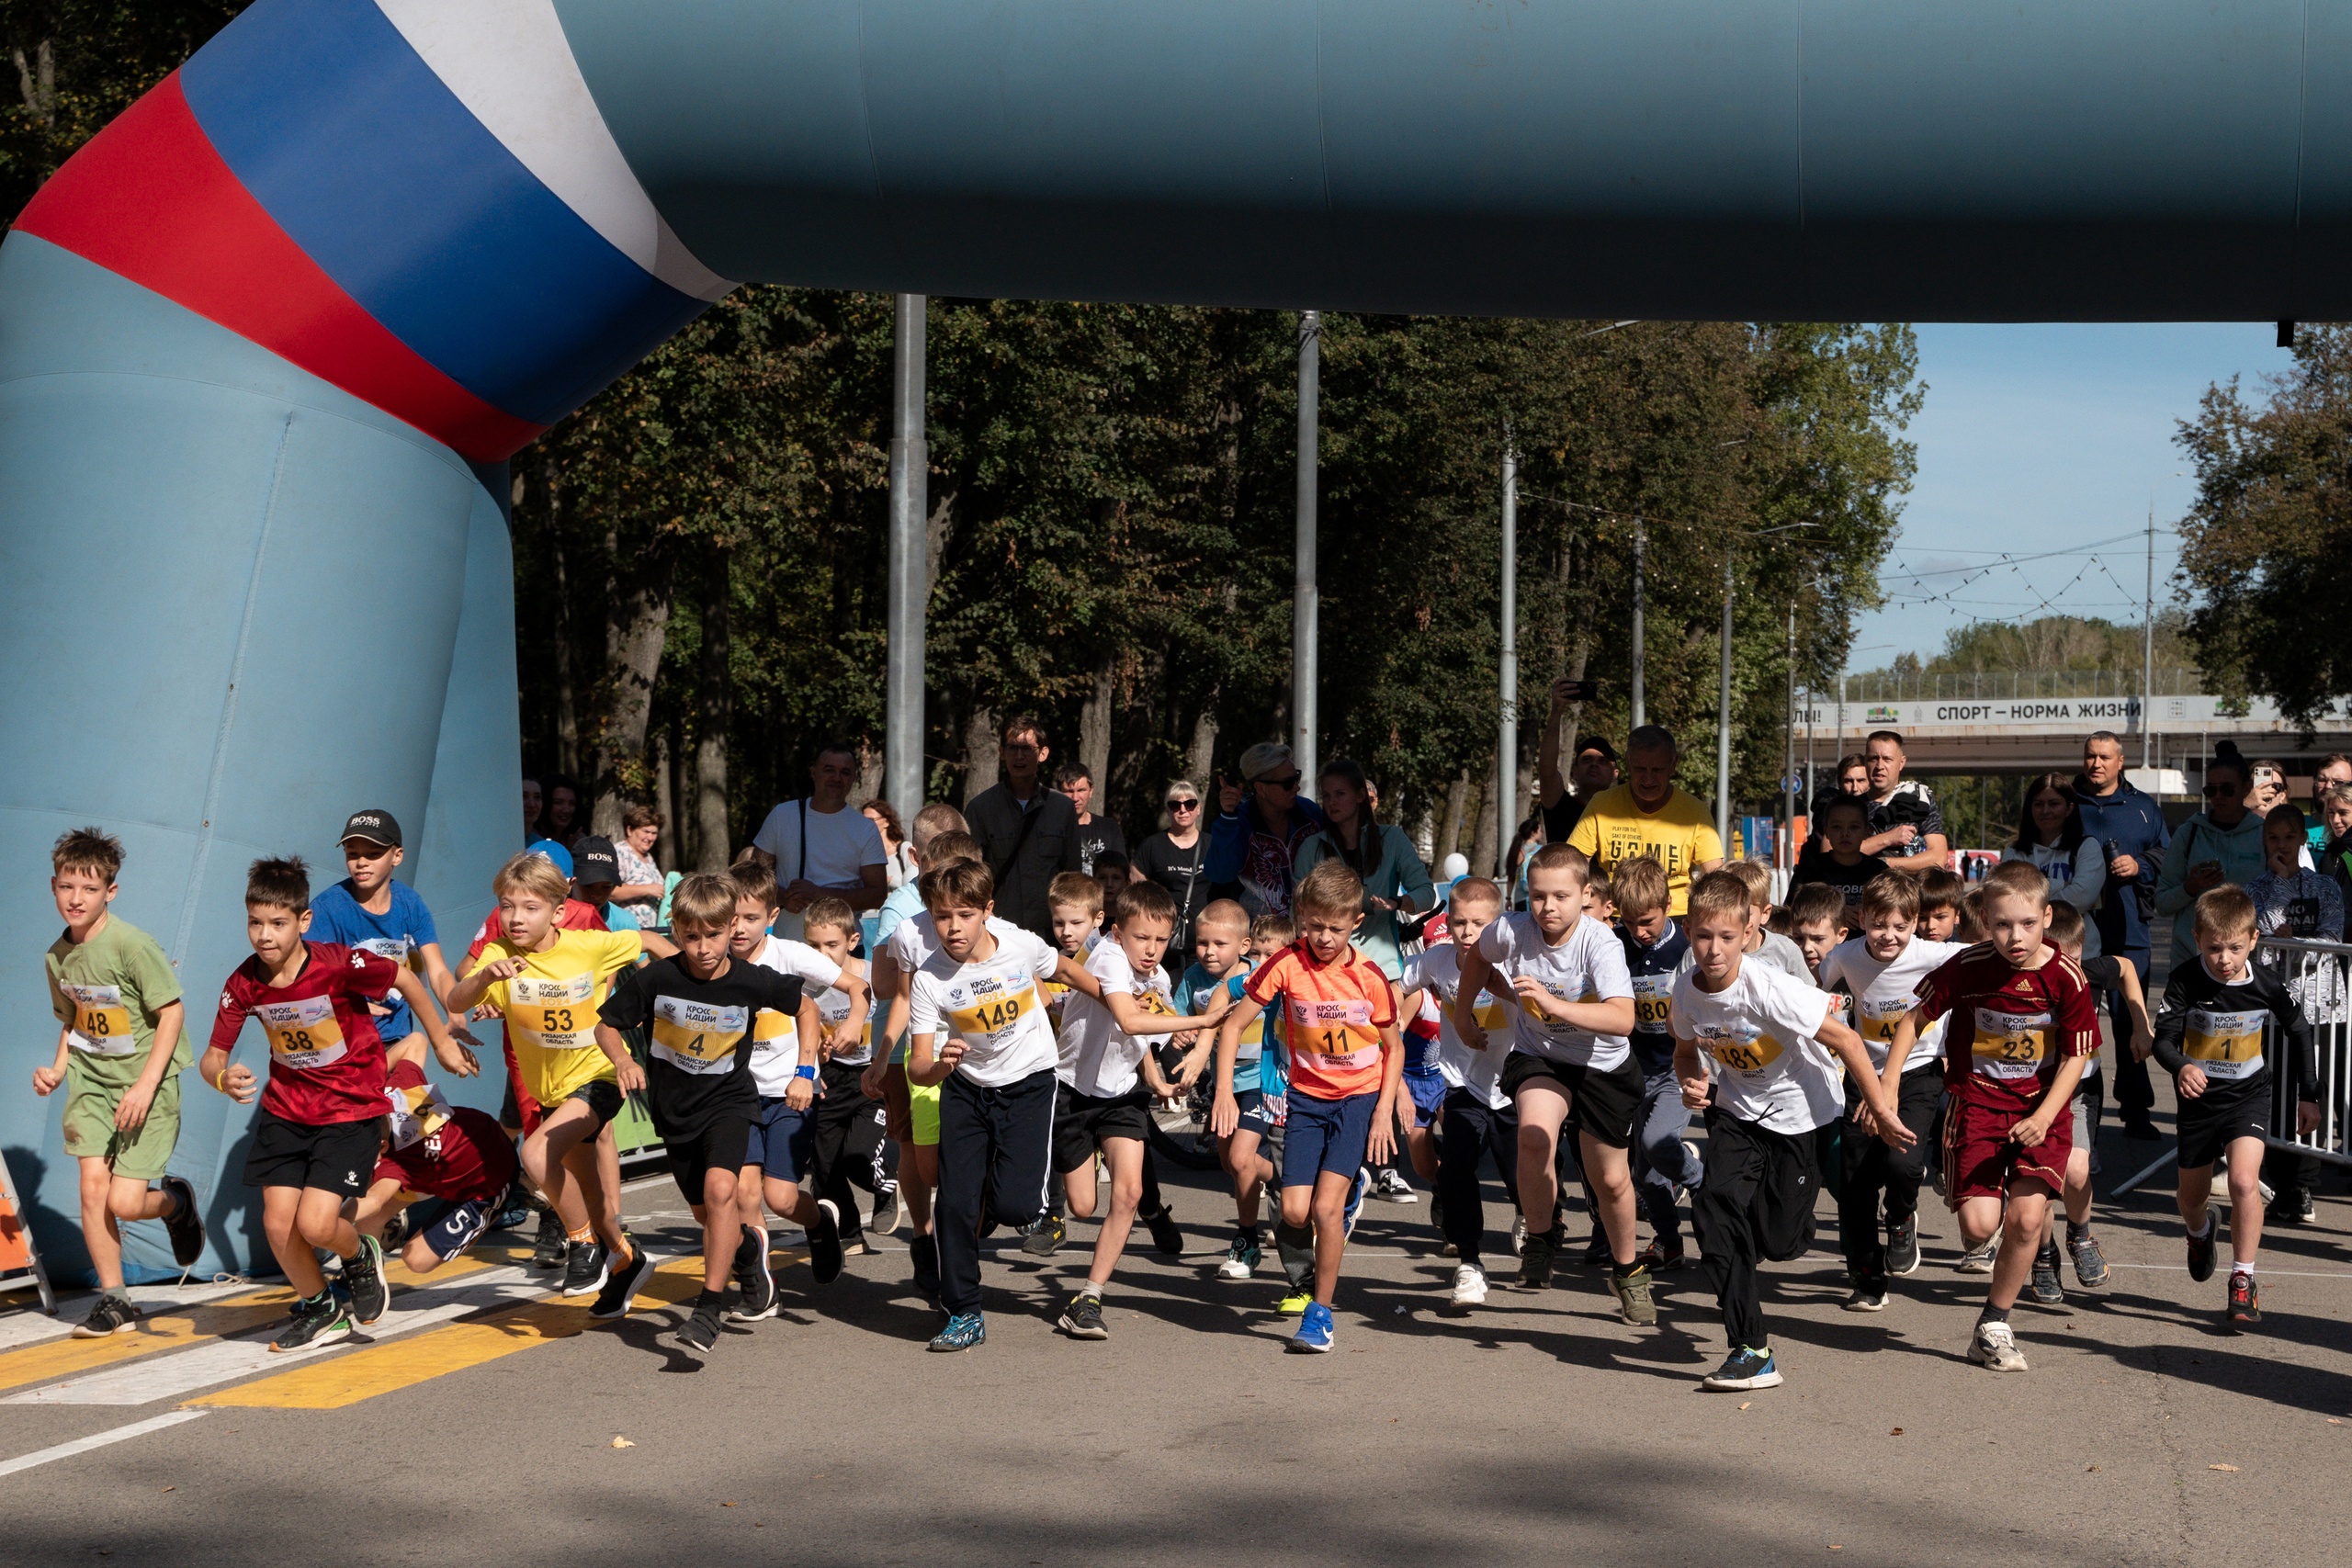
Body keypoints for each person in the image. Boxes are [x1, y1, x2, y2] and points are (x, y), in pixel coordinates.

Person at [202, 856, 477, 1350]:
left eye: (278, 924)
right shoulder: (244, 983)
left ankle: (360, 1254)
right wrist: (223, 1076)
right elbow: (211, 1057)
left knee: (317, 1224)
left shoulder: (336, 964)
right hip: (287, 1110)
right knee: (277, 1223)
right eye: (255, 923)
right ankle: (322, 1309)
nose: (265, 935)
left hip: (350, 1109)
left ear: (303, 922)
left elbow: (407, 979)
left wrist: (439, 1040)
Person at [1674, 869, 1907, 1391]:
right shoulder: (1686, 988)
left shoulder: (1770, 989)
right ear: (1689, 930)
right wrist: (1694, 1081)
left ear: (1748, 933)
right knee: (1714, 1208)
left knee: (1780, 1244)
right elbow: (1685, 1048)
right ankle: (1750, 1348)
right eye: (1704, 935)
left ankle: (1783, 1225)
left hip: (1803, 1114)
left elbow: (1847, 1042)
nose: (1714, 950)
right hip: (1736, 1111)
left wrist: (1883, 1108)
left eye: (1727, 938)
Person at [1884, 861, 2099, 1373]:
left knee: (2026, 1218)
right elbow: (1914, 1019)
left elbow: (2076, 1057)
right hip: (1978, 1105)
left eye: (2027, 924)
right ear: (1983, 919)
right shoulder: (1968, 966)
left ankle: (1993, 1325)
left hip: (2040, 1111)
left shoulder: (2067, 978)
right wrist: (1888, 1085)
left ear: (2047, 917)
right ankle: (1998, 1231)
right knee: (1981, 1228)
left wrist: (2047, 1114)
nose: (2015, 936)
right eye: (2002, 924)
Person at [594, 872, 820, 1357]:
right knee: (708, 1215)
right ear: (676, 930)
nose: (702, 948)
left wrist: (805, 1068)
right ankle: (745, 1253)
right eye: (691, 936)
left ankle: (708, 1309)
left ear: (731, 926)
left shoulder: (750, 979)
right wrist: (624, 1060)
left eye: (714, 935)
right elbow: (606, 1026)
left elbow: (807, 1009)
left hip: (729, 1104)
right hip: (674, 1113)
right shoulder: (659, 978)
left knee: (724, 1192)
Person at [447, 852, 675, 1302]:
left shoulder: (586, 945)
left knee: (534, 1154)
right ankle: (628, 1260)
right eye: (507, 907)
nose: (515, 918)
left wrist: (695, 986)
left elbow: (648, 939)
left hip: (598, 1077)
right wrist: (483, 980)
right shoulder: (498, 954)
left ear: (556, 911)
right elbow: (456, 1000)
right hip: (550, 1091)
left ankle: (582, 1244)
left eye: (530, 908)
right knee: (593, 1200)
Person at [1209, 860, 1405, 1353]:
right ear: (1300, 916)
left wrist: (1382, 1112)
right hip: (1306, 1100)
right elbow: (1232, 1025)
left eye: (1335, 929)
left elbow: (1394, 1047)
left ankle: (1320, 1314)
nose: (1323, 937)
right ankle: (1343, 1198)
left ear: (1356, 924)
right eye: (1314, 925)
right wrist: (1224, 1091)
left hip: (1357, 1098)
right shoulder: (1286, 965)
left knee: (1324, 1209)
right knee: (1294, 1213)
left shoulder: (1370, 977)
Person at [1455, 842, 1653, 1324]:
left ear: (1586, 895)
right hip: (1541, 1056)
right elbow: (1479, 957)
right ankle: (1541, 1239)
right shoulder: (1513, 929)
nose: (1547, 908)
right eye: (1537, 896)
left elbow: (1623, 1018)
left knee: (1608, 1178)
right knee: (1533, 1136)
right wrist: (1463, 1016)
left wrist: (1553, 1005)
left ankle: (1627, 1273)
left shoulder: (1599, 943)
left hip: (1603, 1066)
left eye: (1561, 897)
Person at [908, 858, 1100, 1352]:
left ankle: (988, 1202)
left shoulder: (1021, 946)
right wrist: (941, 1066)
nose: (953, 927)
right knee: (952, 1204)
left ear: (987, 912)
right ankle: (965, 1312)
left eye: (965, 915)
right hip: (966, 1090)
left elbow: (1067, 970)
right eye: (942, 916)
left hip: (1030, 1083)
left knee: (1018, 1207)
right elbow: (919, 1066)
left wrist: (1117, 1002)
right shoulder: (930, 979)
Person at [35, 827, 205, 1337]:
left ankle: (176, 1205)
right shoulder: (56, 956)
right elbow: (76, 1020)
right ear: (53, 886)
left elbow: (172, 1013)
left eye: (89, 889)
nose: (76, 898)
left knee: (126, 1202)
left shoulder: (132, 944)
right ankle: (115, 1300)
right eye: (68, 887)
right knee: (92, 1190)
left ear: (111, 891)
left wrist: (146, 1085)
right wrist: (58, 1068)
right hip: (90, 1084)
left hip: (144, 1085)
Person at [1050, 880, 1232, 1340]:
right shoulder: (1108, 959)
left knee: (1128, 1194)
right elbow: (1129, 1018)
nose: (1151, 950)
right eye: (1141, 938)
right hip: (1073, 1092)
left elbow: (1141, 1038)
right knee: (1084, 1206)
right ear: (1117, 932)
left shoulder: (1160, 979)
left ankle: (1089, 1297)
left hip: (1121, 1095)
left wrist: (1157, 1073)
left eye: (1160, 940)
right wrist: (1200, 1020)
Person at [2150, 885, 2322, 1329]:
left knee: (2246, 1182)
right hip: (2199, 1103)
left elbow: (2300, 1031)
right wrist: (2183, 1065)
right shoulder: (2187, 978)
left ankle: (2243, 1279)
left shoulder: (2265, 983)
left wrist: (2310, 1094)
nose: (2224, 959)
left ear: (2253, 941)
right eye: (2213, 949)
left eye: (2234, 948)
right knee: (2191, 1199)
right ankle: (2200, 1230)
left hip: (2248, 1096)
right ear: (2197, 939)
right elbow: (2162, 1040)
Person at [1819, 873, 1964, 1308]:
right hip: (1864, 1075)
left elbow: (1986, 957)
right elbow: (1815, 993)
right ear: (1861, 918)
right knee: (1856, 1181)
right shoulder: (1844, 956)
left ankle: (1901, 1216)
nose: (1889, 936)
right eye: (1880, 925)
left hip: (1918, 1073)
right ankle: (1867, 1277)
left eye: (1901, 927)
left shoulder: (1935, 954)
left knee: (1902, 1165)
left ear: (1915, 922)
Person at [1396, 876, 1519, 1307]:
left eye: (1479, 924)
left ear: (1499, 924)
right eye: (1460, 923)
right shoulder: (1437, 959)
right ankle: (1470, 1262)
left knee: (1519, 1173)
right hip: (1461, 1083)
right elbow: (1400, 988)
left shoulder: (1516, 963)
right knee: (1456, 1168)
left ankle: (1534, 1216)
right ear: (1448, 921)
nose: (1468, 933)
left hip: (1514, 1084)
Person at [2036, 900, 2149, 1302]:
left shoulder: (2091, 973)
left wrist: (2141, 1025)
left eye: (2076, 958)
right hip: (2035, 1093)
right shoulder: (2024, 983)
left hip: (2081, 1089)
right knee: (2041, 1183)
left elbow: (2127, 968)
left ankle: (2080, 1236)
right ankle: (2043, 1254)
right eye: (2057, 961)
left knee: (2078, 1171)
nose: (2068, 971)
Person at [2245, 800, 2343, 1228]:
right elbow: (2260, 939)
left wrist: (2292, 942)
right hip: (2273, 1008)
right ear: (2264, 841)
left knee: (2312, 1090)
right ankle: (2283, 1183)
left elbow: (2331, 937)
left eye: (2289, 837)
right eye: (2273, 838)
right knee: (2278, 1095)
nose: (2281, 845)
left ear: (2304, 839)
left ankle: (2304, 1182)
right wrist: (2281, 885)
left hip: (2321, 1006)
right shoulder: (2256, 889)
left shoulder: (2325, 887)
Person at [306, 810, 462, 1074]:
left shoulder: (410, 903)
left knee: (411, 1102)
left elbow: (437, 971)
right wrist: (346, 1004)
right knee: (418, 1045)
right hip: (346, 1046)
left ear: (397, 856)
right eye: (352, 854)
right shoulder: (327, 908)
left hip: (396, 1040)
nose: (361, 863)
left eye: (374, 854)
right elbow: (308, 981)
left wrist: (454, 1011)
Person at [2074, 730, 2171, 1139]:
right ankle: (2072, 1106)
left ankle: (2136, 1110)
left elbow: (2168, 855)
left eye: (2104, 757)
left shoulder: (2144, 807)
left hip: (2131, 931)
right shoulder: (2068, 804)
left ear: (2121, 761)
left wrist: (2140, 865)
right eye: (2090, 757)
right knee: (2073, 1023)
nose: (2097, 764)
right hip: (2076, 935)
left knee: (2132, 1022)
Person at [1607, 856, 1701, 1273]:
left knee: (1655, 1143)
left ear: (1667, 905)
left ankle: (1706, 1185)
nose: (1639, 932)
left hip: (1678, 1069)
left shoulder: (1687, 947)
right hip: (1633, 1070)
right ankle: (1669, 1243)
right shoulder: (1614, 944)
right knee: (1644, 1176)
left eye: (1647, 921)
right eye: (1630, 923)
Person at [356, 1057, 521, 1277]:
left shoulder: (394, 1166)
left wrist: (323, 1224)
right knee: (369, 1216)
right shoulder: (397, 1092)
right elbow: (414, 1043)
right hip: (464, 1148)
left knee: (417, 1260)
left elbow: (375, 1199)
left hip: (491, 1177)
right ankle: (362, 1277)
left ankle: (506, 1199)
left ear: (383, 1147)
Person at [1295, 758, 1434, 983]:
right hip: (1324, 970)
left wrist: (1396, 903)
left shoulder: (1392, 839)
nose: (1331, 802)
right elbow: (1298, 906)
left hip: (1381, 968)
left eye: (1340, 794)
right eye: (1326, 796)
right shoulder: (1312, 846)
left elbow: (1426, 894)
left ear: (1360, 796)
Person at [1565, 725, 1724, 916]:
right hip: (1616, 917)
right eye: (1640, 769)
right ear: (1628, 762)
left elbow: (1715, 877)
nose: (1648, 779)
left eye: (1657, 770)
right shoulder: (1602, 804)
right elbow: (1572, 867)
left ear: (1673, 764)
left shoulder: (1695, 811)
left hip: (1675, 918)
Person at [750, 743, 890, 942]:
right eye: (829, 770)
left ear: (854, 779)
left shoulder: (865, 829)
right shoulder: (783, 816)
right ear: (814, 773)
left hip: (840, 952)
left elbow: (877, 895)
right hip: (787, 946)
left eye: (845, 772)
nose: (836, 778)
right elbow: (752, 876)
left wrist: (820, 895)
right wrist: (783, 898)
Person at [966, 716, 1086, 939]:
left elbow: (1072, 877)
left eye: (1027, 749)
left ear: (1043, 753)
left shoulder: (1062, 808)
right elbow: (970, 874)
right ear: (1002, 752)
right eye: (1012, 748)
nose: (1019, 756)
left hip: (1051, 930)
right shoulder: (981, 808)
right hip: (998, 929)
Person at [2155, 742, 2267, 959]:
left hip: (2246, 963)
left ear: (2246, 788)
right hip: (2191, 960)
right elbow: (2162, 904)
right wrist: (2191, 886)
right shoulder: (2189, 833)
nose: (2218, 796)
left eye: (2227, 789)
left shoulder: (2263, 835)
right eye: (2211, 790)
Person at [1208, 740, 1327, 919]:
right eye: (1288, 783)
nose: (1297, 787)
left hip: (1309, 929)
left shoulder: (1311, 813)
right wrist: (1227, 818)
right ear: (1260, 788)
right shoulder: (1237, 821)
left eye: (1296, 777)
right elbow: (1220, 874)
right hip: (1260, 935)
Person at [1999, 774, 2105, 956]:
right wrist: (2062, 886)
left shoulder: (2087, 847)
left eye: (2054, 804)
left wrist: (2031, 895)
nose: (2045, 810)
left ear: (2069, 808)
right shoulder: (2014, 852)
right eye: (2038, 804)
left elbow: (2082, 898)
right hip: (2026, 955)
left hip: (2080, 956)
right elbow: (2007, 900)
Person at [1133, 779, 1212, 974]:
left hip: (1205, 942)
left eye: (1190, 804)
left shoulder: (1213, 845)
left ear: (1199, 808)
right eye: (1175, 805)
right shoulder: (1152, 847)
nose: (1183, 810)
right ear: (1168, 811)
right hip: (1163, 943)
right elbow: (1138, 896)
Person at [1537, 682, 1621, 844]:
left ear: (1615, 774)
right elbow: (1547, 772)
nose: (1594, 765)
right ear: (1575, 772)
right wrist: (1556, 713)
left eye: (1603, 761)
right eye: (1586, 760)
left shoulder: (1626, 813)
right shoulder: (1561, 806)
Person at [1859, 732, 1949, 876]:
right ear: (1865, 762)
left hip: (1907, 895)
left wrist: (1883, 863)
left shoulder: (1920, 802)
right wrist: (1888, 838)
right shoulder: (1849, 806)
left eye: (1887, 759)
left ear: (1901, 763)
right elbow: (1832, 854)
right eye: (1873, 759)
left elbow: (1939, 858)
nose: (1879, 766)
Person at [1792, 796, 1883, 911]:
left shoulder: (1879, 872)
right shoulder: (1810, 870)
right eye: (1837, 827)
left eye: (1854, 827)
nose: (1845, 833)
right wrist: (1838, 915)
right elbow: (1791, 912)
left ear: (1866, 832)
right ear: (1826, 832)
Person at [1056, 762, 1127, 875]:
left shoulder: (1109, 828)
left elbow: (1120, 872)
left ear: (1091, 791)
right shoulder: (1051, 829)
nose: (1075, 798)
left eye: (1081, 790)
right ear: (1059, 793)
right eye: (1069, 791)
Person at [612, 805, 667, 927]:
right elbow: (610, 891)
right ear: (630, 830)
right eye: (646, 831)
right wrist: (646, 889)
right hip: (627, 930)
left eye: (654, 833)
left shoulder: (648, 857)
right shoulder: (620, 853)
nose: (650, 837)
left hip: (650, 931)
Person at [1784, 883, 1851, 976]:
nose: (1807, 948)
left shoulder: (1853, 982)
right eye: (1799, 938)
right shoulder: (1783, 980)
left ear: (1841, 935)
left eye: (1818, 939)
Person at [861, 798, 916, 890]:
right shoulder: (864, 853)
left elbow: (915, 884)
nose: (865, 824)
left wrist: (889, 880)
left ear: (886, 822)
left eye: (871, 819)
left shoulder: (904, 848)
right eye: (862, 820)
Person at [539, 775, 583, 850]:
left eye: (572, 803)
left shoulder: (578, 839)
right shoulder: (529, 840)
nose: (566, 810)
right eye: (558, 802)